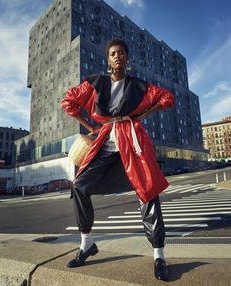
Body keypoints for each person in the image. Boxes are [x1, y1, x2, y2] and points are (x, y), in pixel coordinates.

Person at [61, 38, 174, 281]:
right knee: (79, 185)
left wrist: (145, 113)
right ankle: (87, 244)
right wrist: (89, 126)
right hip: (104, 143)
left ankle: (159, 255)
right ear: (108, 59)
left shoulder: (138, 86)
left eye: (122, 52)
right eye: (113, 53)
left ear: (127, 58)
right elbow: (68, 101)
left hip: (132, 143)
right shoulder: (97, 83)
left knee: (148, 191)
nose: (117, 56)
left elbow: (167, 98)